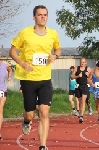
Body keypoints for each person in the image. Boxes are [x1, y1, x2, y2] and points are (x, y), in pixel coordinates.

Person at [9, 5, 61, 150]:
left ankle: (42, 146)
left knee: (44, 112)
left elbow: (58, 48)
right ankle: (26, 122)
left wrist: (55, 55)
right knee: (30, 115)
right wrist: (22, 63)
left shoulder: (53, 34)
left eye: (45, 15)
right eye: (40, 15)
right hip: (28, 79)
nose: (43, 17)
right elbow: (12, 51)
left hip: (45, 79)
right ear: (34, 17)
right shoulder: (25, 33)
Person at [71, 58, 91, 123]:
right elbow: (71, 77)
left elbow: (91, 75)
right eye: (81, 62)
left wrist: (88, 76)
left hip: (85, 86)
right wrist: (77, 76)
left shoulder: (88, 68)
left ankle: (81, 116)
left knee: (83, 100)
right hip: (78, 86)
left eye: (83, 62)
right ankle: (80, 114)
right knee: (79, 102)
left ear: (86, 62)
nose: (82, 63)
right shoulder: (76, 68)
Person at [0, 52, 12, 139]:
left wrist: (9, 77)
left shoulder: (4, 65)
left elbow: (10, 70)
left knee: (0, 110)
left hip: (2, 90)